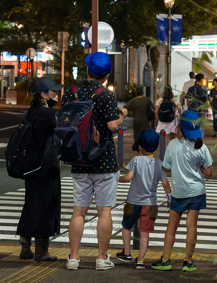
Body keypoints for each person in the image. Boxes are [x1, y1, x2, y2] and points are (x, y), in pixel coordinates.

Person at [63, 52, 126, 271]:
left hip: (78, 158)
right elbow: (111, 126)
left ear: (87, 69)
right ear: (107, 74)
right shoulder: (105, 95)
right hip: (104, 161)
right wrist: (122, 115)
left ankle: (73, 258)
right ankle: (101, 258)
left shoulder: (71, 92)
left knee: (79, 210)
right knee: (104, 211)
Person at [152, 111, 214, 272]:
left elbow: (166, 167)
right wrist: (198, 167)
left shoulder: (172, 145)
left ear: (180, 127)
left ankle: (165, 260)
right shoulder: (202, 147)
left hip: (179, 192)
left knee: (171, 228)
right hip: (197, 192)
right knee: (191, 226)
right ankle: (188, 261)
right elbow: (209, 172)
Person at [17, 77, 63, 261]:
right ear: (44, 94)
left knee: (31, 203)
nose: (57, 94)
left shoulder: (32, 111)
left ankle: (25, 247)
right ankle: (42, 251)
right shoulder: (47, 113)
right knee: (46, 205)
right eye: (53, 91)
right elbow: (65, 124)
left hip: (32, 165)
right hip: (46, 165)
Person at [116, 130, 171, 269]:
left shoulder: (135, 160)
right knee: (144, 232)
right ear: (157, 146)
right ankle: (140, 260)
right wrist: (169, 198)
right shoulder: (159, 164)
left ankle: (127, 253)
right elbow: (165, 184)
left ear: (140, 146)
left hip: (133, 201)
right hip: (151, 204)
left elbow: (128, 178)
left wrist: (114, 178)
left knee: (126, 226)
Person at [124, 86, 154, 151]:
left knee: (137, 138)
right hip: (146, 121)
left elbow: (125, 107)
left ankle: (138, 153)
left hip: (136, 121)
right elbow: (153, 108)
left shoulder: (133, 101)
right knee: (146, 137)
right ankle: (146, 152)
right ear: (143, 92)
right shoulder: (147, 99)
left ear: (136, 93)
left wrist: (132, 114)